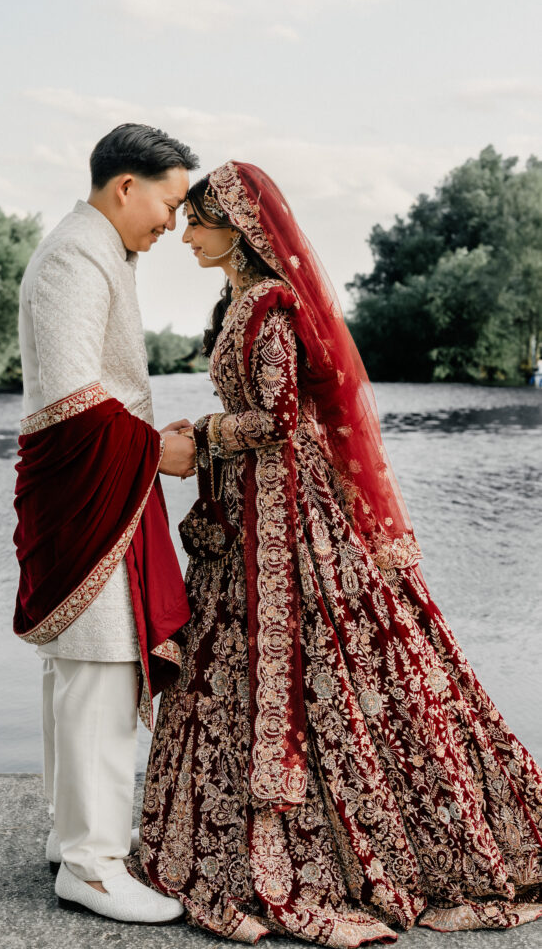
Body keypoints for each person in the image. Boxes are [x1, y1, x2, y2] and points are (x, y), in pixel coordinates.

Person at [136, 161, 542, 944]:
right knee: (256, 660)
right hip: (253, 508)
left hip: (291, 513)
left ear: (237, 230)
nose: (185, 237)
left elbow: (278, 420)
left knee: (337, 658)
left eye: (198, 223)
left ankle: (361, 841)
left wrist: (206, 433)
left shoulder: (269, 307)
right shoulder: (238, 301)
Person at [13, 124, 198, 924]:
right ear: (126, 186)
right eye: (169, 202)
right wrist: (156, 451)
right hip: (92, 490)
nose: (173, 223)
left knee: (78, 668)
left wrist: (150, 445)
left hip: (93, 484)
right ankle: (91, 869)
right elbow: (72, 397)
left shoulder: (95, 250)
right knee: (100, 666)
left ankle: (71, 837)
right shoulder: (76, 257)